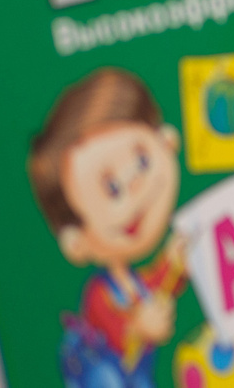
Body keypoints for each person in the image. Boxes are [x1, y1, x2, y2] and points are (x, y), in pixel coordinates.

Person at [29, 69, 190, 388]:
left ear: (167, 141)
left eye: (142, 161)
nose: (136, 187)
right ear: (76, 242)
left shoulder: (134, 280)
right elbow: (112, 324)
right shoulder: (100, 293)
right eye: (112, 188)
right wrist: (140, 327)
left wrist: (175, 262)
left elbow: (158, 286)